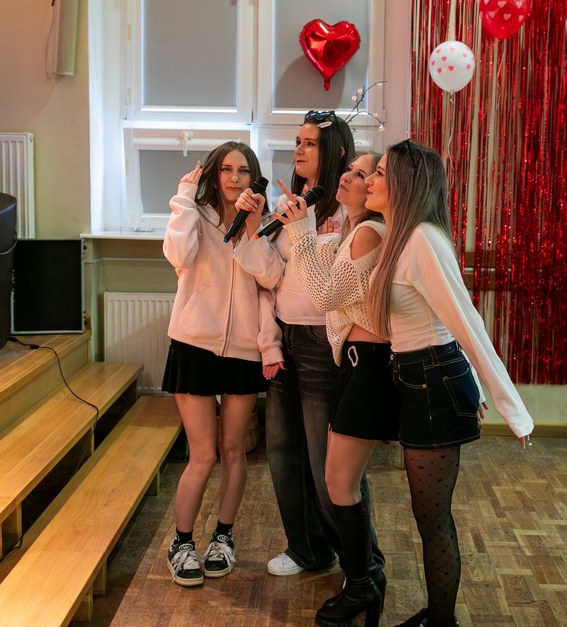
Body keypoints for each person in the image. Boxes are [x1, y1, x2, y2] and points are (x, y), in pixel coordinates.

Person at [364, 140, 534, 627]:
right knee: (427, 517)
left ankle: (442, 623)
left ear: (405, 183)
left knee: (433, 520)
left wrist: (510, 407)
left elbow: (465, 324)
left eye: (380, 173)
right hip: (418, 378)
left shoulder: (422, 240)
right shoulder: (401, 236)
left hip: (433, 382)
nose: (371, 180)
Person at [233, 111, 386, 579]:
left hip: (325, 341)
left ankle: (361, 561)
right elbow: (273, 276)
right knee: (283, 452)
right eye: (297, 141)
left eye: (310, 143)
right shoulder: (292, 202)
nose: (298, 150)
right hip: (286, 335)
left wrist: (308, 231)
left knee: (329, 466)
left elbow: (335, 288)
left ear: (336, 150)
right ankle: (308, 549)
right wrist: (255, 225)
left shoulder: (351, 209)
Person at [275, 151, 399, 626]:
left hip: (365, 366)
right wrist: (295, 226)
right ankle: (363, 579)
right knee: (338, 479)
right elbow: (306, 268)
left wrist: (302, 232)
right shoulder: (350, 231)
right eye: (350, 170)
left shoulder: (369, 232)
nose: (349, 177)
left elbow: (324, 295)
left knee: (340, 482)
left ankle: (363, 579)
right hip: (351, 363)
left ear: (376, 188)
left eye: (362, 173)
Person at [161, 141, 283, 587]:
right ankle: (181, 543)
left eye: (243, 170)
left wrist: (253, 228)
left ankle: (223, 538)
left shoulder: (264, 223)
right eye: (227, 169)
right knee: (203, 454)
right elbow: (177, 256)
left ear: (254, 177)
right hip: (193, 344)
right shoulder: (195, 215)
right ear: (215, 175)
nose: (235, 178)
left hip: (244, 350)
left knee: (234, 450)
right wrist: (183, 199)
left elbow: (272, 277)